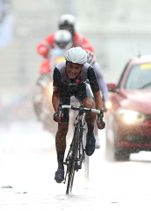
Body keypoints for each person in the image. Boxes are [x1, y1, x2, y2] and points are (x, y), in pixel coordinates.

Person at [52, 47, 105, 183]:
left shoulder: (89, 70)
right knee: (62, 128)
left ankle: (89, 134)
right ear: (66, 63)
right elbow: (56, 94)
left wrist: (99, 115)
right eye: (70, 67)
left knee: (89, 105)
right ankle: (60, 166)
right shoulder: (59, 70)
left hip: (81, 89)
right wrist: (57, 111)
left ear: (82, 67)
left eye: (77, 68)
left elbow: (97, 94)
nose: (73, 71)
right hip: (64, 92)